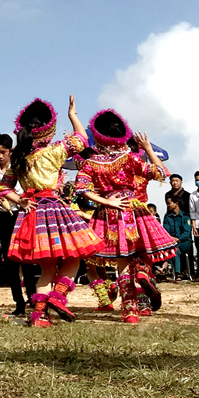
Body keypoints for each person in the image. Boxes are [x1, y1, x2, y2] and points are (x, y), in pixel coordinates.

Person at [0, 97, 102, 328]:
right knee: (76, 255)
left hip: (32, 214)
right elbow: (82, 138)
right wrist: (72, 115)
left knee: (47, 268)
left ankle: (40, 316)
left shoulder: (19, 160)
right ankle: (58, 297)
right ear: (47, 131)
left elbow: (3, 188)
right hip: (55, 209)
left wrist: (20, 200)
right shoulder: (54, 152)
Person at [74, 110, 176, 324]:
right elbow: (160, 173)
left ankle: (129, 310)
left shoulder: (91, 163)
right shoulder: (130, 158)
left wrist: (107, 201)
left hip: (109, 215)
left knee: (122, 264)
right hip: (134, 210)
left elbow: (81, 189)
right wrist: (147, 148)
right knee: (141, 253)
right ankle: (142, 274)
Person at [0, 134, 37, 318]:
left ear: (10, 151)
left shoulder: (18, 166)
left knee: (26, 258)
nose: (0, 156)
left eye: (3, 152)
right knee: (9, 260)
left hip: (21, 214)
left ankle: (32, 297)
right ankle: (19, 301)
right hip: (3, 216)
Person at [162, 195, 194, 280]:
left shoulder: (185, 217)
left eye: (169, 203)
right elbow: (166, 232)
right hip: (171, 242)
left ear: (176, 204)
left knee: (175, 248)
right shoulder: (167, 217)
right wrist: (172, 239)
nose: (167, 205)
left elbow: (187, 233)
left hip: (184, 242)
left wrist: (178, 239)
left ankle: (168, 267)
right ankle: (175, 273)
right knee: (174, 248)